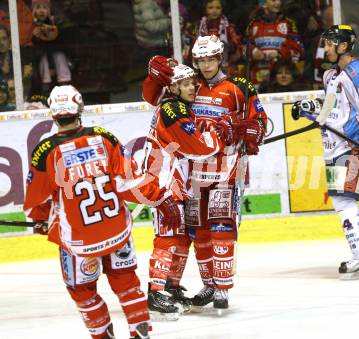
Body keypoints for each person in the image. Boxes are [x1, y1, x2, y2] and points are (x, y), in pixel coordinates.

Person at [23, 85, 183, 338]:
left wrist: (42, 221)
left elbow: (36, 201)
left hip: (79, 240)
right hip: (118, 231)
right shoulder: (103, 137)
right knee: (129, 287)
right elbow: (127, 183)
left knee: (82, 291)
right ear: (80, 108)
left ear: (52, 113)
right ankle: (141, 335)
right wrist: (160, 197)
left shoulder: (45, 152)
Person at [143, 35, 267, 312]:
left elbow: (261, 124)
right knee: (196, 231)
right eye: (200, 59)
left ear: (220, 57)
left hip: (227, 169)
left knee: (221, 228)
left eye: (211, 58)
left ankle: (221, 289)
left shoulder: (239, 87)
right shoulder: (187, 84)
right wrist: (153, 74)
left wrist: (246, 131)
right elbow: (153, 97)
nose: (206, 64)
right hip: (192, 175)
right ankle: (205, 283)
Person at [143, 61, 237, 319]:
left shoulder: (177, 105)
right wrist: (220, 135)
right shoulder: (172, 109)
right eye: (185, 84)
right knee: (168, 236)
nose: (192, 87)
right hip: (162, 184)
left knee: (182, 236)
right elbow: (198, 146)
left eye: (192, 82)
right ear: (173, 87)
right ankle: (154, 292)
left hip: (175, 183)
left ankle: (170, 287)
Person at [292, 25, 359, 280]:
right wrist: (309, 108)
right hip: (333, 146)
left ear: (344, 45)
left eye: (331, 43)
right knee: (340, 200)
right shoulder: (330, 76)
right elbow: (329, 111)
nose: (326, 48)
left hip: (353, 144)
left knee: (344, 200)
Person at [247, 0, 304, 86]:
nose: (278, 3)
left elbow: (298, 48)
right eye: (273, 0)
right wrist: (253, 51)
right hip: (258, 76)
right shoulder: (253, 24)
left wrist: (279, 54)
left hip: (281, 78)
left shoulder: (288, 23)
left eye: (279, 0)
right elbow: (244, 45)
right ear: (264, 4)